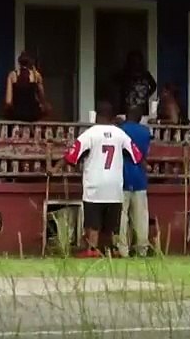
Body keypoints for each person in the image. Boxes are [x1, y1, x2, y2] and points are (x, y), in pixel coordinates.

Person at [61, 102, 140, 258]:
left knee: (93, 221)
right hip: (115, 185)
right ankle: (112, 249)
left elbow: (71, 155)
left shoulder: (90, 133)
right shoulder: (120, 134)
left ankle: (92, 249)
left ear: (97, 115)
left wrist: (55, 168)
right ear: (112, 117)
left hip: (94, 185)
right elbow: (136, 155)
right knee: (111, 224)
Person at [117, 114, 153, 257]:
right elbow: (146, 153)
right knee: (141, 217)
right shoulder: (145, 131)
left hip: (122, 177)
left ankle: (123, 250)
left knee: (121, 217)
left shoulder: (119, 129)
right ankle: (142, 249)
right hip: (139, 179)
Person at [115, 51, 157, 121]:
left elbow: (153, 86)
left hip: (141, 107)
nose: (136, 63)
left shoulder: (145, 74)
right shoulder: (125, 74)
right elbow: (115, 82)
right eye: (134, 61)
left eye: (138, 61)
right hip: (127, 106)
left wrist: (146, 96)